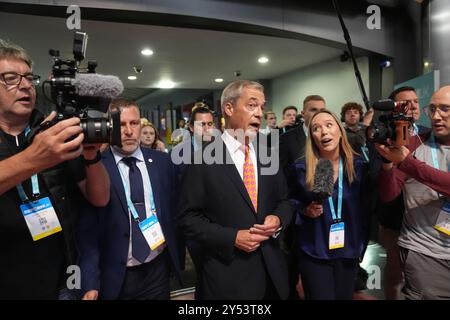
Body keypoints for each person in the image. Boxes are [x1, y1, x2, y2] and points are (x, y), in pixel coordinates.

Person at [0, 39, 110, 299]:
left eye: (29, 78)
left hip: (62, 283)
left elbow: (100, 197)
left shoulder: (52, 129)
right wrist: (35, 158)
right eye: (11, 78)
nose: (25, 85)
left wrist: (91, 155)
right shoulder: (46, 142)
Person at [178, 80, 294, 299]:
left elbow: (286, 201)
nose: (259, 113)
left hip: (273, 275)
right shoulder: (201, 160)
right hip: (228, 278)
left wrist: (278, 219)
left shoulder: (269, 153)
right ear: (229, 109)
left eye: (262, 106)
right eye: (252, 105)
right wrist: (232, 237)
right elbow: (188, 219)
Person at [79, 98, 184, 300]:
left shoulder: (162, 162)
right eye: (120, 124)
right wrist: (89, 282)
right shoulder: (96, 167)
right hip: (116, 275)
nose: (128, 131)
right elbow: (87, 232)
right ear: (109, 127)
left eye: (134, 123)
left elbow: (176, 210)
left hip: (157, 268)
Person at [375, 85, 450, 300]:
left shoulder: (408, 155)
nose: (436, 116)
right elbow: (389, 194)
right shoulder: (414, 143)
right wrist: (388, 163)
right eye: (432, 109)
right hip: (424, 252)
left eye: (445, 109)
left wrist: (407, 163)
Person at [289, 110, 371, 300]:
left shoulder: (359, 167)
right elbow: (289, 202)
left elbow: (367, 209)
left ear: (340, 130)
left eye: (329, 125)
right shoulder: (301, 169)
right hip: (314, 249)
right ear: (312, 138)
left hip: (348, 250)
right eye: (316, 128)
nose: (323, 132)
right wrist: (304, 209)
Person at [280, 95, 326, 174]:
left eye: (322, 110)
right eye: (313, 110)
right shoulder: (286, 139)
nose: (318, 113)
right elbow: (281, 173)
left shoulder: (331, 137)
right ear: (303, 114)